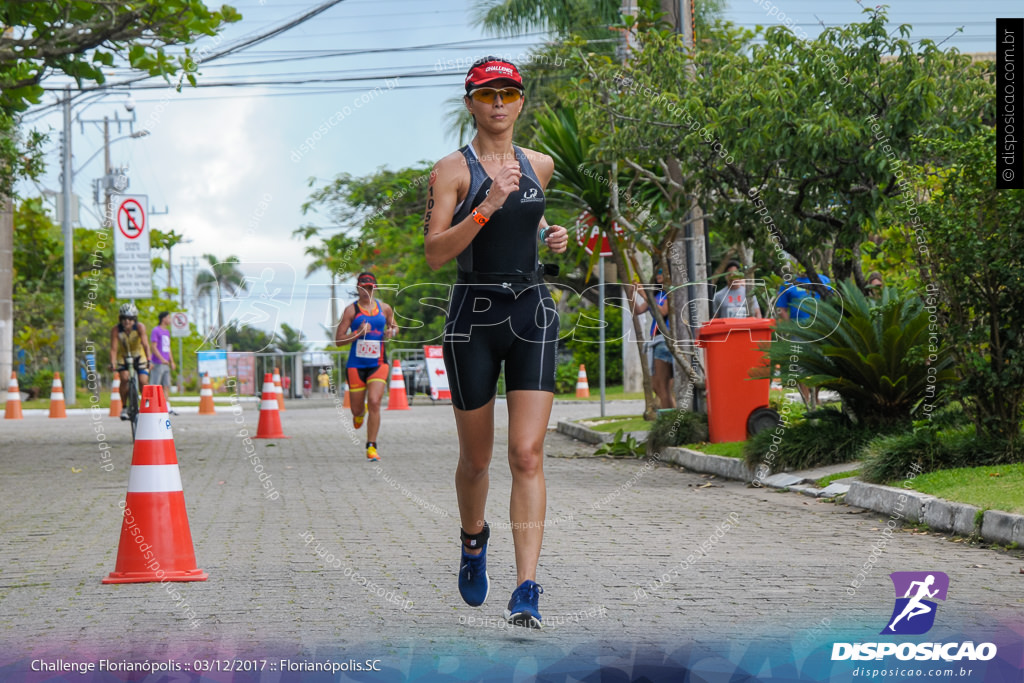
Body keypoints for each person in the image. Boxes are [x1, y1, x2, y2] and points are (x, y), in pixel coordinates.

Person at [423, 56, 569, 628]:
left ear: (521, 101)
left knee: (527, 454)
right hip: (472, 319)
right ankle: (472, 538)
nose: (500, 104)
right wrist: (486, 205)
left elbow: (525, 227)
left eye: (509, 93)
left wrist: (548, 236)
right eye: (488, 95)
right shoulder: (451, 171)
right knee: (477, 460)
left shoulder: (540, 165)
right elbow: (436, 253)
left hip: (531, 309)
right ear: (471, 104)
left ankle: (527, 587)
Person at [334, 272, 397, 461]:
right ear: (358, 288)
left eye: (369, 287)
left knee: (376, 402)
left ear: (374, 288)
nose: (366, 291)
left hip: (378, 362)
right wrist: (358, 333)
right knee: (357, 410)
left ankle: (371, 446)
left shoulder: (384, 309)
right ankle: (359, 414)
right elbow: (338, 340)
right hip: (356, 365)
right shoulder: (351, 311)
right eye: (363, 287)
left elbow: (394, 326)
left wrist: (391, 331)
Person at [775, 270, 833, 408]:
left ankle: (816, 397)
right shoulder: (789, 283)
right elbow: (780, 308)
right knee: (801, 364)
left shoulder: (823, 280)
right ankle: (806, 400)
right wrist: (790, 325)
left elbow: (831, 301)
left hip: (819, 328)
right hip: (798, 331)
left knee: (821, 362)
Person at [633, 268, 676, 409]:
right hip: (657, 341)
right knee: (657, 387)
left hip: (665, 339)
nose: (658, 275)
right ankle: (671, 416)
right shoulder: (657, 294)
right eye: (657, 272)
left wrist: (644, 294)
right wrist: (631, 292)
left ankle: (671, 419)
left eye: (661, 272)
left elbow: (662, 311)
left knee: (661, 387)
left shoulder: (672, 292)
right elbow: (638, 310)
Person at [109, 303, 151, 420]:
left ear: (134, 319)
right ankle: (124, 406)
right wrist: (112, 363)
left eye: (130, 319)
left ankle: (146, 404)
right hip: (124, 356)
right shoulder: (116, 330)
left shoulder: (140, 327)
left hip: (139, 356)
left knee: (143, 380)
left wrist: (149, 359)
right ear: (120, 319)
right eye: (124, 319)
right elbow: (113, 349)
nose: (127, 321)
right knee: (124, 378)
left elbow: (146, 345)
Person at [149, 312, 178, 415]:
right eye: (168, 318)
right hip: (157, 363)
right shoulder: (156, 330)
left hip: (166, 364)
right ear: (163, 319)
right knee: (155, 385)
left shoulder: (167, 332)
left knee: (166, 386)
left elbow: (168, 347)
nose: (170, 320)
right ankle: (152, 407)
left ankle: (168, 407)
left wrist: (172, 361)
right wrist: (161, 359)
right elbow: (153, 347)